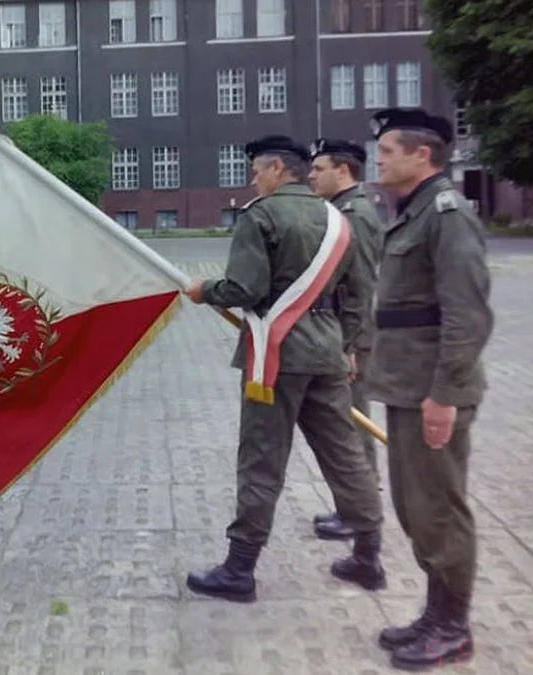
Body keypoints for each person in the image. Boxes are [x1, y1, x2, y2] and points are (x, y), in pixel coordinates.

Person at [182, 135, 386, 603]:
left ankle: (239, 570)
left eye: (257, 169)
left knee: (261, 460)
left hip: (277, 358)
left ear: (277, 169)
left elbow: (243, 288)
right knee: (346, 455)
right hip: (328, 352)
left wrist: (204, 289)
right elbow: (357, 294)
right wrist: (348, 346)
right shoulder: (337, 218)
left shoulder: (262, 215)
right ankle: (369, 556)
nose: (253, 178)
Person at [366, 108, 493, 671]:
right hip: (404, 385)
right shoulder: (413, 212)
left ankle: (453, 627)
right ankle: (435, 612)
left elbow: (467, 316)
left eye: (389, 149)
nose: (380, 157)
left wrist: (445, 394)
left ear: (423, 154)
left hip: (431, 390)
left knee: (438, 509)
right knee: (416, 508)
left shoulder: (447, 215)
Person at [306, 138, 385, 541]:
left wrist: (350, 345)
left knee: (352, 424)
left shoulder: (357, 213)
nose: (312, 175)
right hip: (340, 332)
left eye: (320, 168)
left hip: (350, 337)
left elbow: (362, 285)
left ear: (344, 170)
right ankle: (355, 506)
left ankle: (361, 512)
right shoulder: (339, 210)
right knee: (344, 422)